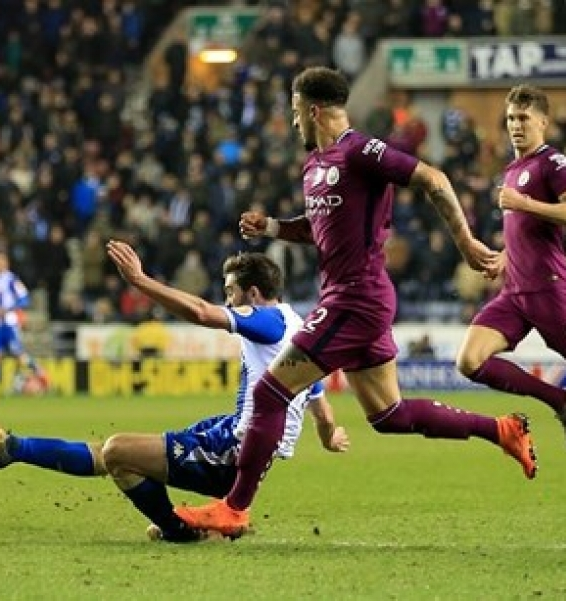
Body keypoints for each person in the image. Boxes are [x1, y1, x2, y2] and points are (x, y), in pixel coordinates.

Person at [176, 67, 537, 538]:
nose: (294, 123)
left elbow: (434, 179)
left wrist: (466, 243)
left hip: (355, 297)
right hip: (353, 298)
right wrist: (271, 229)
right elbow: (317, 228)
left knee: (270, 392)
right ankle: (503, 430)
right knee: (390, 415)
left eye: (295, 113)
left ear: (313, 109)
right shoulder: (314, 167)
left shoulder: (360, 150)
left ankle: (234, 509)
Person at [0, 246, 349, 543]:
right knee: (114, 455)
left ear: (252, 292)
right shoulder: (297, 328)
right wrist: (328, 433)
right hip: (228, 433)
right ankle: (11, 448)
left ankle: (180, 529)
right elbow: (317, 398)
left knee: (118, 452)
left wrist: (139, 280)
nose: (227, 299)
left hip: (232, 451)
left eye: (230, 292)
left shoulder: (267, 321)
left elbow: (201, 312)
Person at [456, 85, 566, 432]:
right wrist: (507, 255)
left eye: (524, 118)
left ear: (543, 122)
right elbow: (527, 229)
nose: (516, 125)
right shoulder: (514, 168)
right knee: (469, 360)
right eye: (511, 118)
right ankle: (558, 400)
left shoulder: (552, 162)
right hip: (514, 293)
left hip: (548, 289)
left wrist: (524, 203)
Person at [0, 251, 48, 404]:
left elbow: (24, 299)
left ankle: (40, 372)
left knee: (19, 355)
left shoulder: (11, 279)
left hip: (9, 323)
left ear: (6, 262)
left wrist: (8, 309)